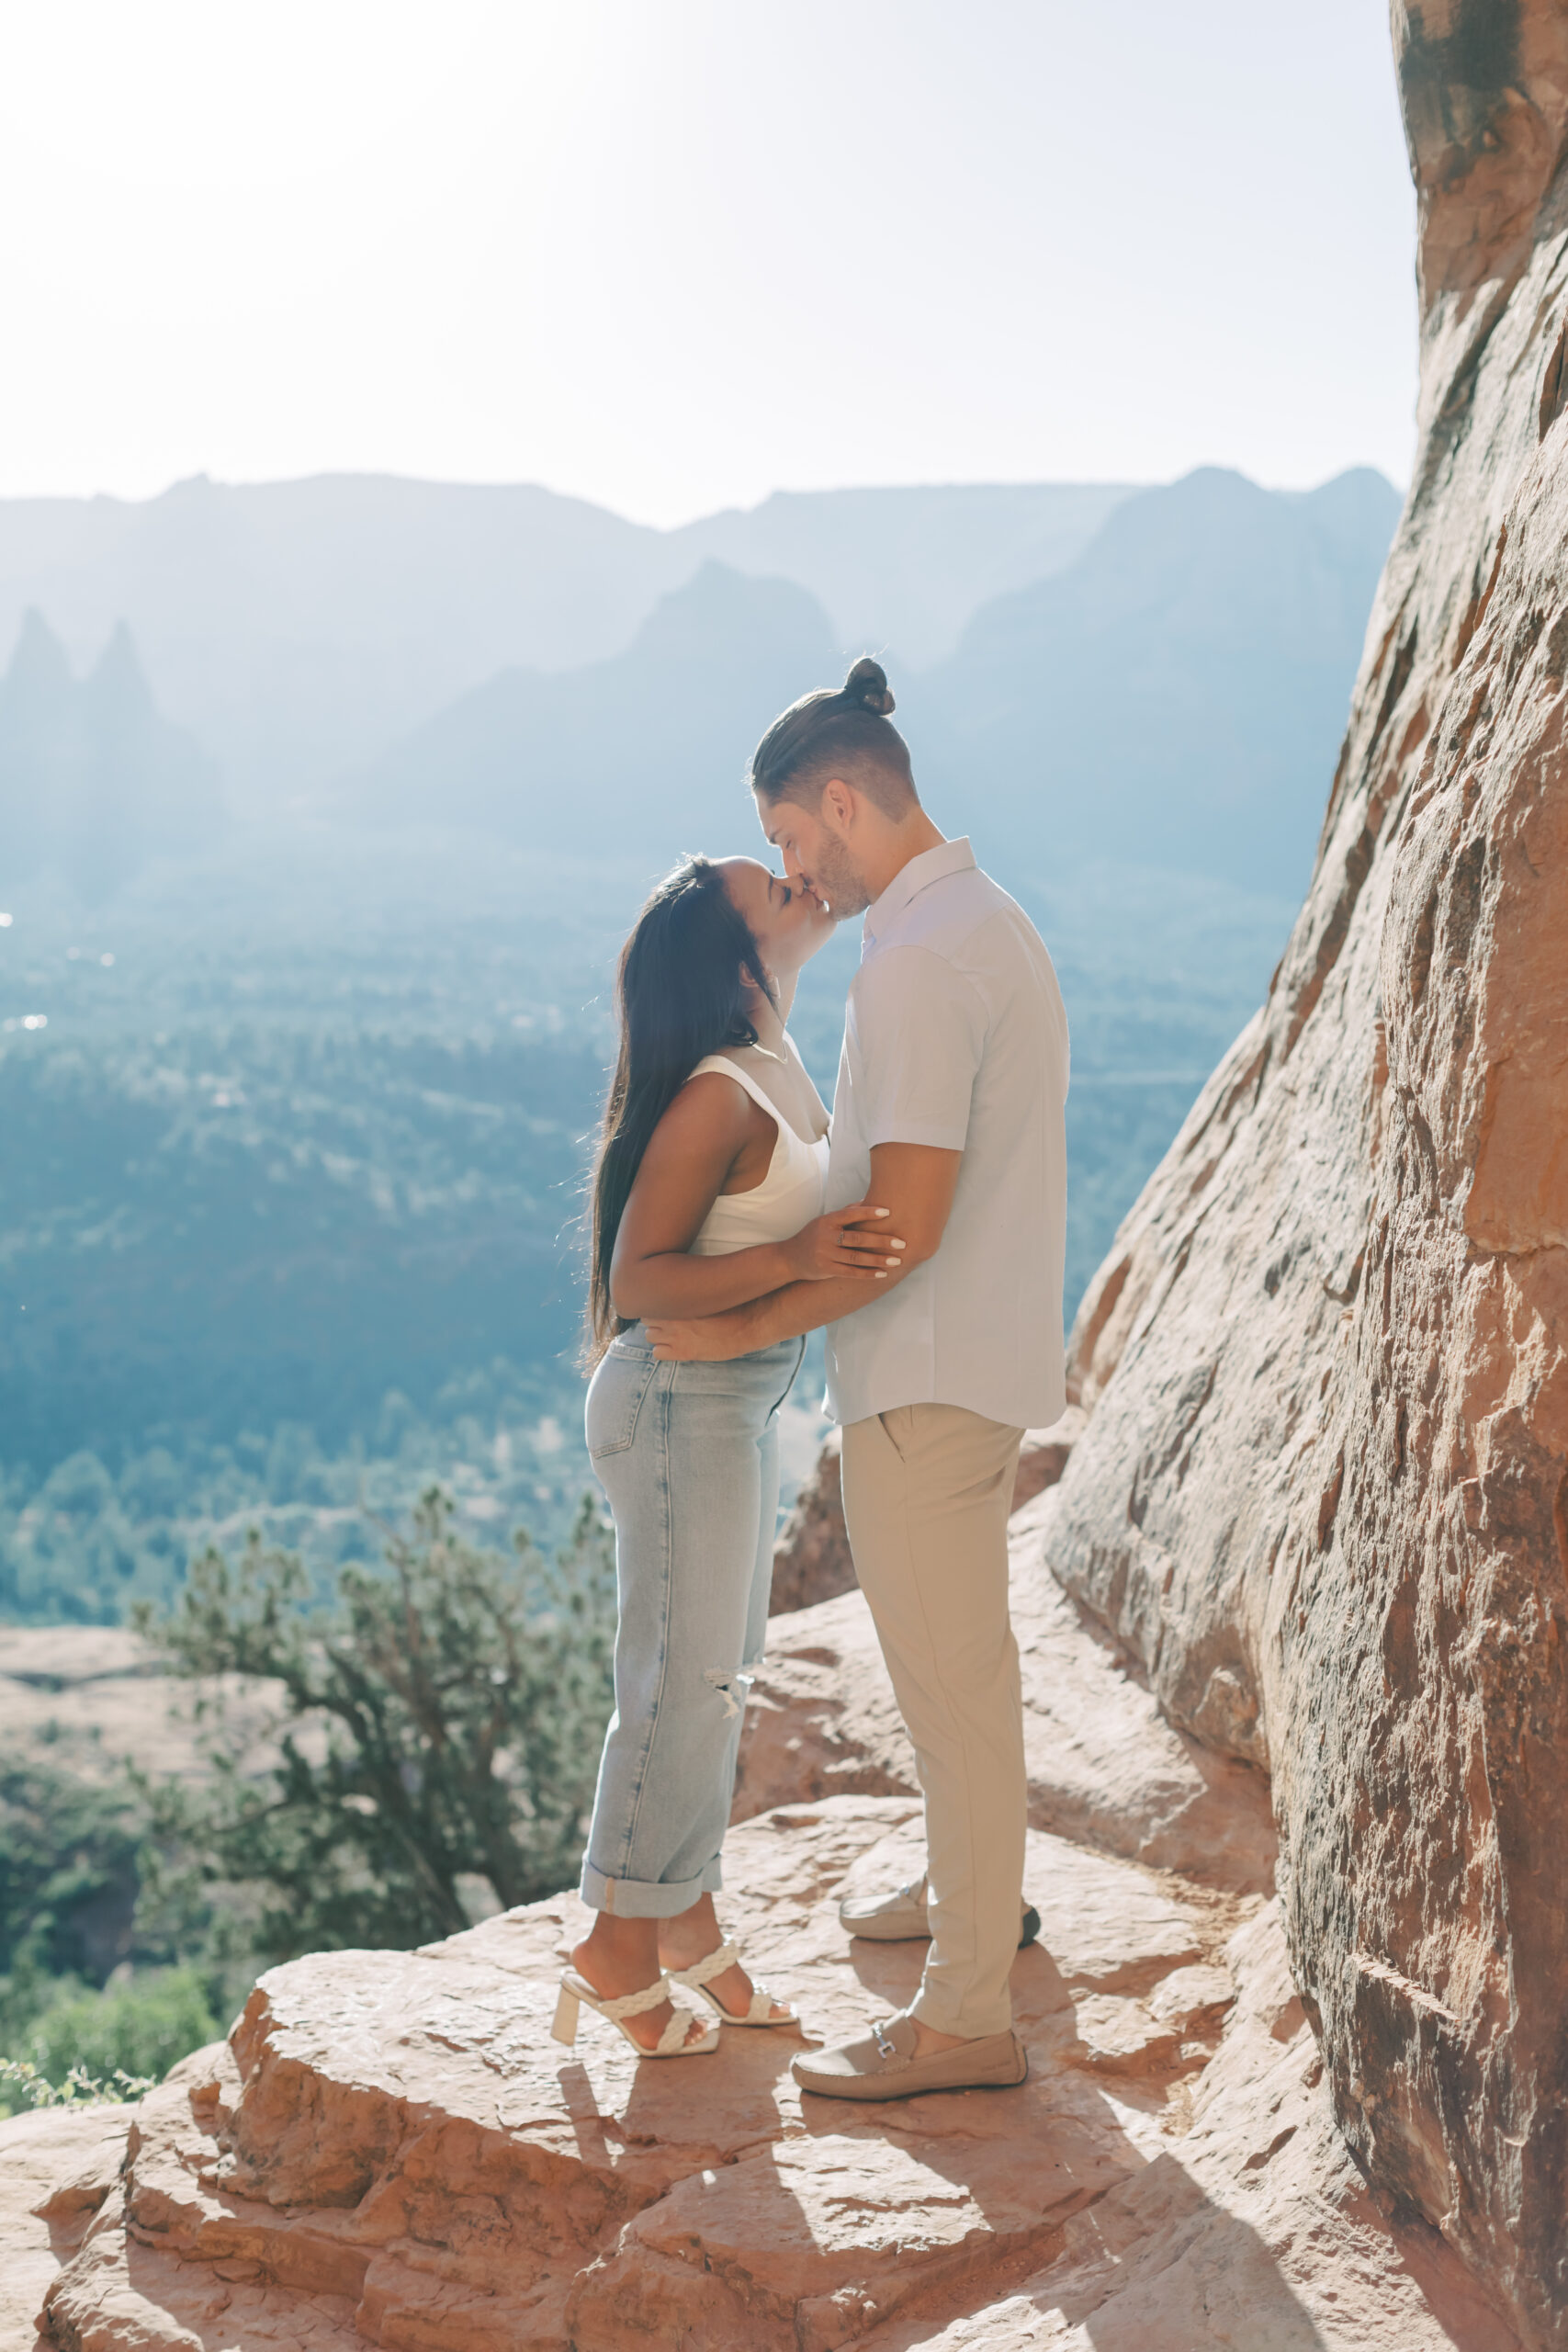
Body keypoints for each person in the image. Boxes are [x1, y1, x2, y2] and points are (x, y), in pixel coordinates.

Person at [646, 658, 1069, 2100]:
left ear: (840, 799)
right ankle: (980, 1905)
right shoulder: (971, 920)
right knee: (960, 1674)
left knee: (952, 1688)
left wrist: (735, 1322)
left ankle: (962, 2020)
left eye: (789, 836)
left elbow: (906, 1224)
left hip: (928, 1374)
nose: (790, 866)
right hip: (971, 1359)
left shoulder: (915, 962)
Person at [553, 852, 907, 2060]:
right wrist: (801, 1258)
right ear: (733, 949)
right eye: (771, 882)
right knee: (675, 1676)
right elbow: (640, 1281)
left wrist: (790, 1289)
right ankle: (611, 1944)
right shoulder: (717, 1091)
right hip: (674, 1405)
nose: (800, 878)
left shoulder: (772, 1057)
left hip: (726, 1401)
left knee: (720, 1673)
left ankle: (685, 1917)